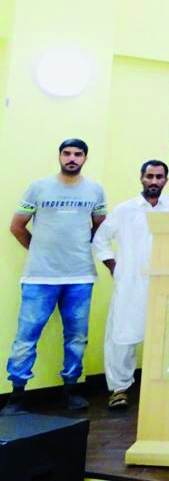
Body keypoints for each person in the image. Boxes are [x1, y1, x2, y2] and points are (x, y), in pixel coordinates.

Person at [3, 139, 106, 414]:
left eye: (78, 154)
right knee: (26, 336)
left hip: (80, 277)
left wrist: (80, 248)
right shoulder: (39, 187)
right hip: (40, 277)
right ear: (59, 156)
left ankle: (71, 390)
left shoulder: (95, 189)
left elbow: (100, 226)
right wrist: (39, 250)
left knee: (76, 336)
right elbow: (17, 226)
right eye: (67, 153)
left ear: (85, 158)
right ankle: (16, 395)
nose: (72, 158)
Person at [93, 160, 169, 410]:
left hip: (165, 281)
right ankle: (119, 388)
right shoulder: (124, 210)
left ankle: (163, 387)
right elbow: (100, 240)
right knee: (122, 335)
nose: (154, 181)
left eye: (159, 177)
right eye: (149, 176)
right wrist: (113, 267)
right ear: (141, 178)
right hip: (130, 282)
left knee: (166, 334)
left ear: (166, 180)